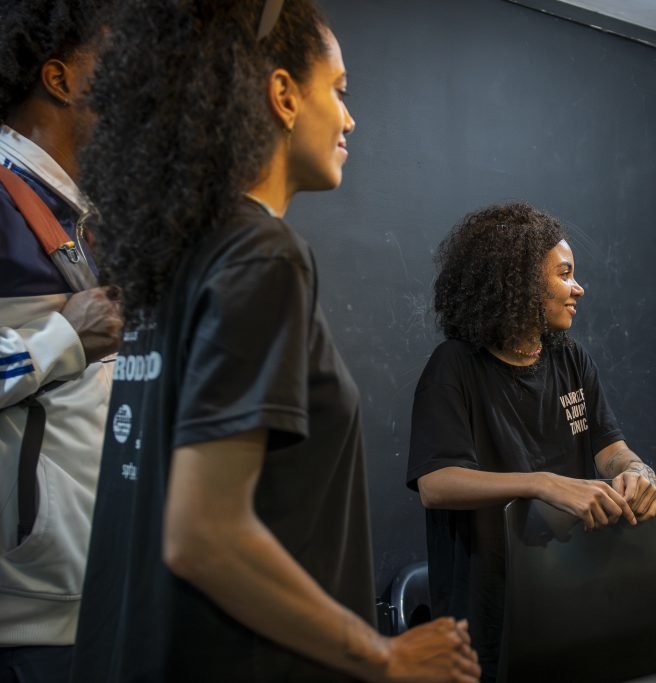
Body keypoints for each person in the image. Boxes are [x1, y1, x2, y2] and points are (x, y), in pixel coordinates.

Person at [69, 2, 479, 681]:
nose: (348, 118)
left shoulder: (175, 263)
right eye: (339, 91)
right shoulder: (262, 254)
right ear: (284, 94)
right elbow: (203, 534)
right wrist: (380, 652)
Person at [406, 202, 656, 680]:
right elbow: (436, 483)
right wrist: (542, 483)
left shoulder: (573, 360)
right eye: (565, 274)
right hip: (487, 611)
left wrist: (636, 472)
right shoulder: (454, 367)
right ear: (520, 282)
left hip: (567, 591)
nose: (578, 289)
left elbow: (611, 449)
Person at [0, 1, 122, 681]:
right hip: (26, 625)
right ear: (60, 77)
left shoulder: (75, 210)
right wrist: (60, 338)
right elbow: (65, 346)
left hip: (93, 596)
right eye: (114, 53)